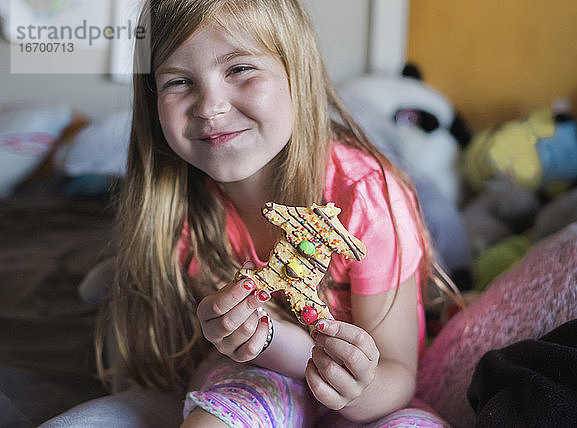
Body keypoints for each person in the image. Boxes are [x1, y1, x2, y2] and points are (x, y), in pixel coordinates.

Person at [43, 0, 450, 426]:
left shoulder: (364, 195)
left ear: (297, 72)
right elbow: (251, 356)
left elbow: (397, 376)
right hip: (259, 376)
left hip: (370, 399)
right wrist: (241, 335)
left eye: (239, 69)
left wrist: (357, 386)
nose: (210, 107)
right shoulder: (181, 210)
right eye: (180, 80)